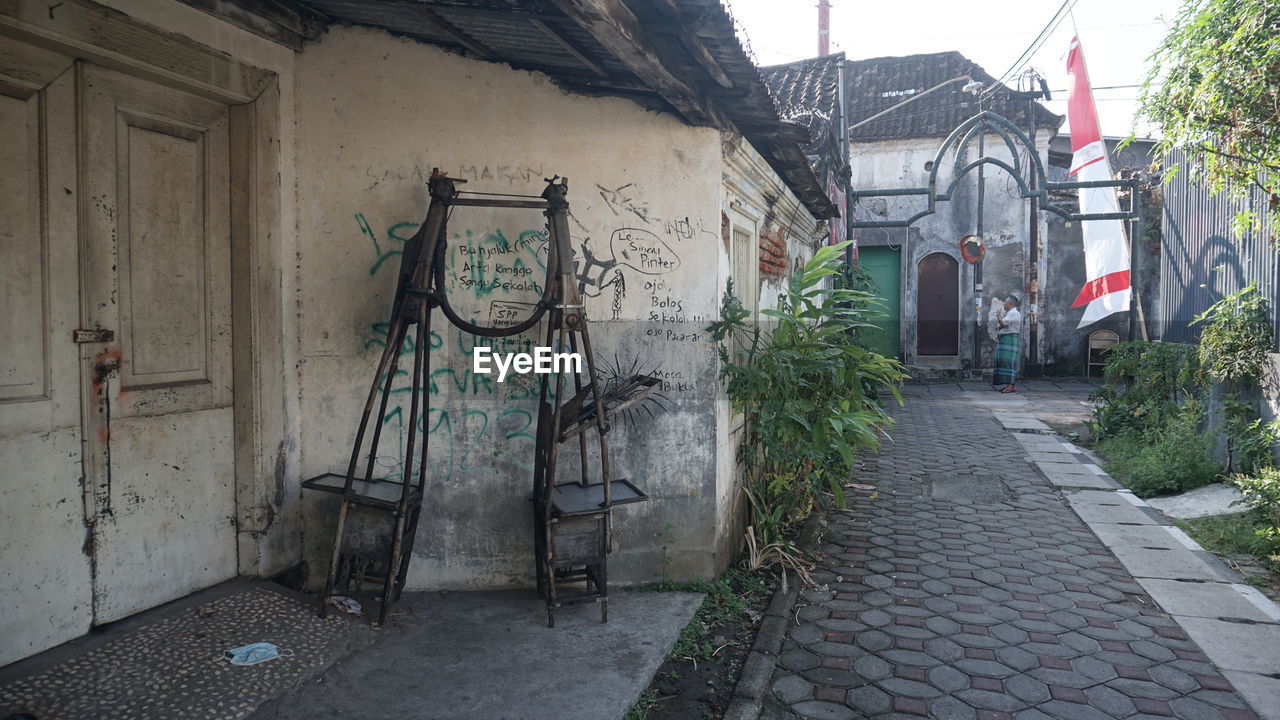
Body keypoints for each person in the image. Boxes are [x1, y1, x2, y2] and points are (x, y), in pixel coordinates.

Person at [993, 295, 1022, 392]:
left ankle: (1011, 385)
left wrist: (998, 316)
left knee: (1009, 362)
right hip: (1006, 339)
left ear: (1010, 303)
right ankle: (1010, 385)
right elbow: (1001, 326)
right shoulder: (1009, 313)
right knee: (1005, 362)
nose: (1004, 304)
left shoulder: (1014, 313)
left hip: (1010, 339)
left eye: (1005, 302)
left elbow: (1002, 324)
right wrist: (1000, 318)